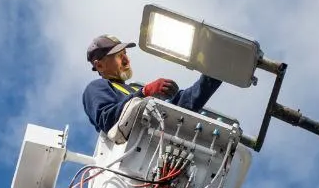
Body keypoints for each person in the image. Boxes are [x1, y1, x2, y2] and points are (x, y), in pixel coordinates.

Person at [81, 34, 222, 139]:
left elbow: (184, 104)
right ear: (99, 65)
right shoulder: (97, 87)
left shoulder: (135, 89)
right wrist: (145, 92)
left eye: (125, 53)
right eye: (118, 56)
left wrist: (214, 72)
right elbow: (109, 121)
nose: (126, 59)